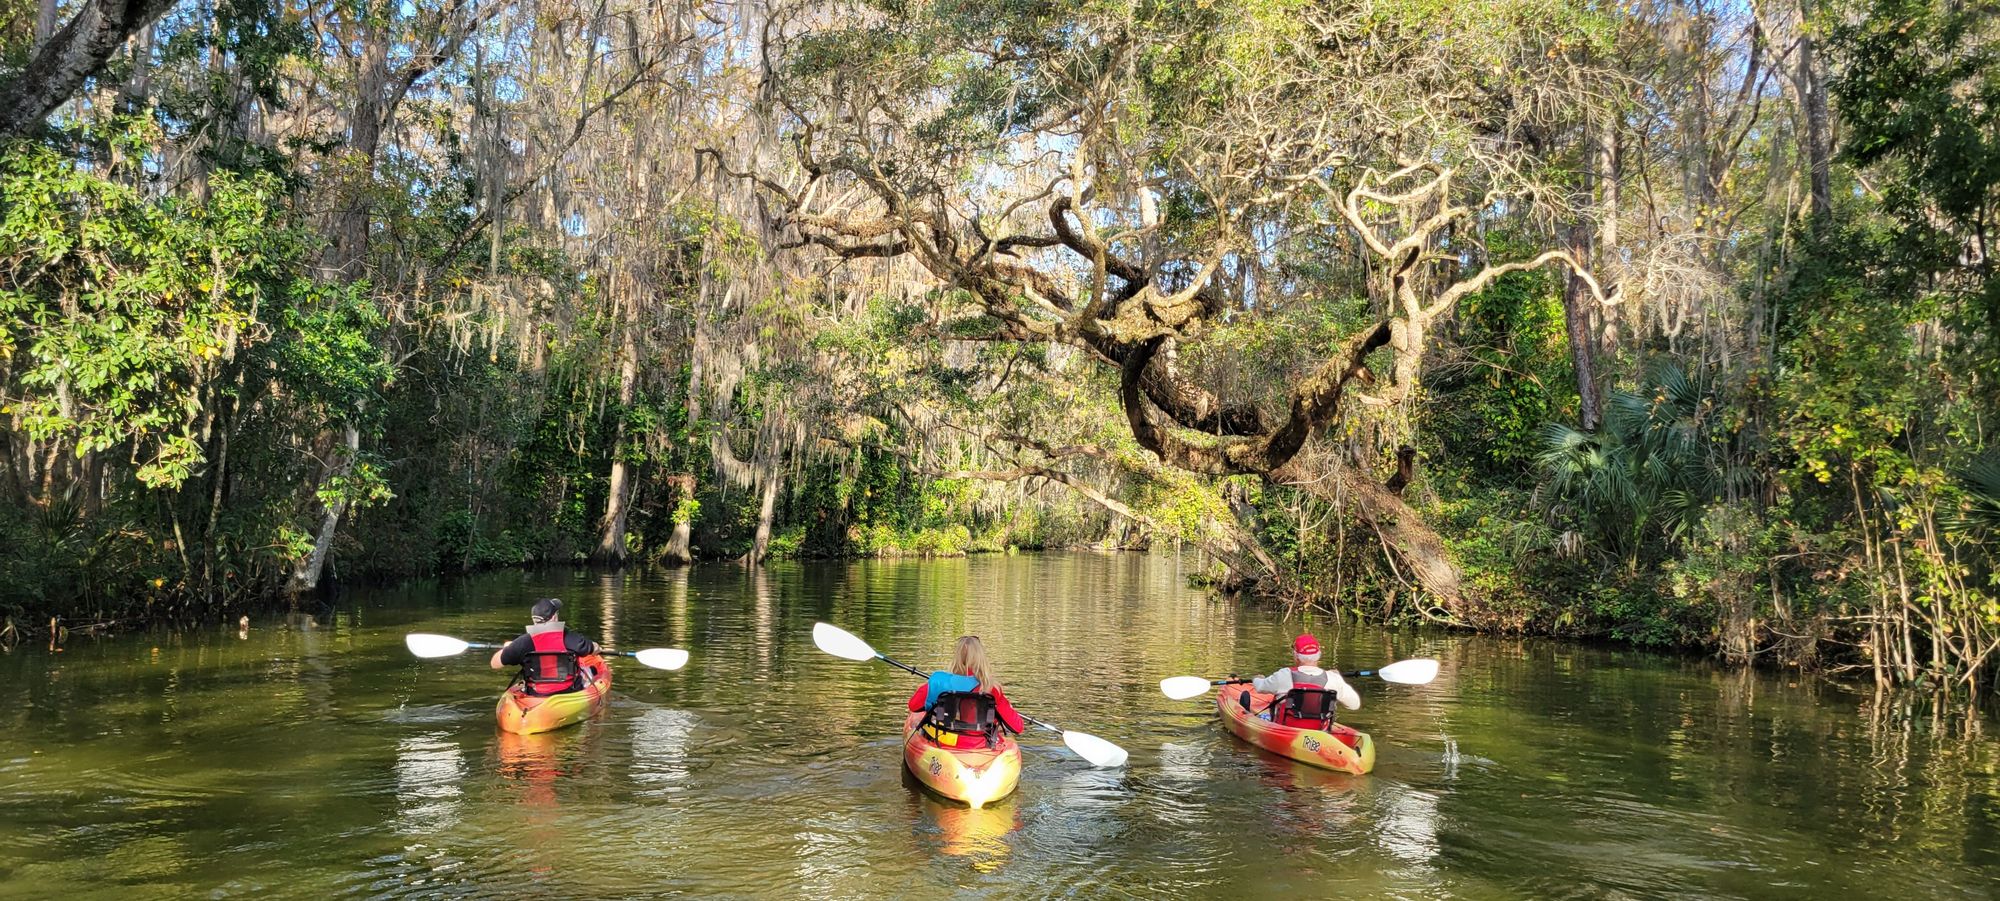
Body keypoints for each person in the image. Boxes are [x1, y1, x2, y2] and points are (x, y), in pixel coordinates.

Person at [906, 636, 1026, 749]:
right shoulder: (992, 688)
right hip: (980, 744)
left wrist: (926, 687)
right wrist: (1007, 707)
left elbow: (913, 705)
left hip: (945, 741)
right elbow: (1018, 727)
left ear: (956, 657)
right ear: (982, 658)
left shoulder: (939, 681)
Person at [489, 598, 601, 695]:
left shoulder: (523, 643)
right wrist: (596, 647)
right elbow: (594, 649)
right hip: (568, 691)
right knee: (592, 670)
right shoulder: (570, 638)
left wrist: (508, 648)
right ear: (554, 618)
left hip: (536, 694)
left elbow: (494, 664)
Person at [1251, 633, 1359, 727]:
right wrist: (1339, 680)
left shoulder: (1284, 674)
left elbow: (1260, 687)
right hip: (1319, 730)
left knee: (1246, 701)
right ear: (1319, 655)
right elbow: (1354, 704)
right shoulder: (1333, 678)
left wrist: (1257, 678)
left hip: (1286, 729)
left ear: (1296, 656)